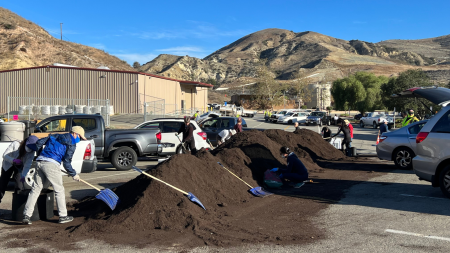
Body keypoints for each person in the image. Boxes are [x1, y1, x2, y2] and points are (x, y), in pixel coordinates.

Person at [23, 126, 86, 225]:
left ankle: (26, 215)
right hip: (51, 164)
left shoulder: (55, 135)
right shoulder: (72, 143)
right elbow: (66, 162)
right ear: (75, 134)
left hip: (40, 162)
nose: (80, 139)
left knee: (36, 189)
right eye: (80, 137)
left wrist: (41, 155)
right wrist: (74, 174)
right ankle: (63, 216)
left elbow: (39, 142)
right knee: (59, 189)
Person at [0, 136, 39, 204]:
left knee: (19, 186)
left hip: (19, 167)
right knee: (2, 185)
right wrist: (13, 160)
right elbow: (4, 155)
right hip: (8, 165)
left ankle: (17, 208)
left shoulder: (31, 152)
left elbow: (27, 165)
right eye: (29, 147)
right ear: (26, 143)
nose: (30, 149)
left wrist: (24, 175)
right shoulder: (16, 144)